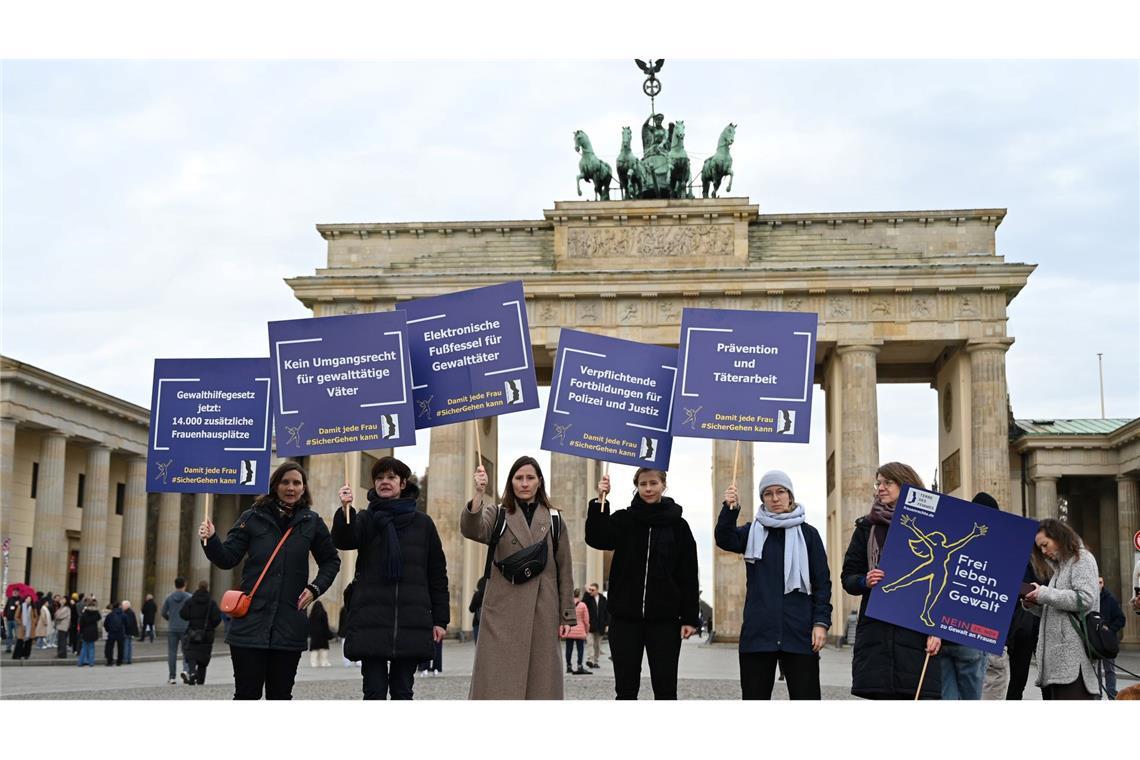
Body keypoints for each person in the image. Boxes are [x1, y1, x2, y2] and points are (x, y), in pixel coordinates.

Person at [200, 460, 341, 700]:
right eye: (285, 482)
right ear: (275, 485)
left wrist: (315, 588)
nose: (291, 487)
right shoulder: (251, 517)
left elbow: (331, 561)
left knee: (280, 696)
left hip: (289, 625)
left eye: (297, 483)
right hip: (250, 624)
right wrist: (211, 539)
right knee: (246, 696)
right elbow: (226, 559)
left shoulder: (312, 522)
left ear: (304, 488)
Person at [333, 456, 448, 699]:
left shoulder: (423, 524)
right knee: (373, 692)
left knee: (403, 692)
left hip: (410, 620)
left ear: (403, 483)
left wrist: (440, 620)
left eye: (391, 477)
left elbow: (437, 575)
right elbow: (344, 541)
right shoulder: (364, 519)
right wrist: (345, 510)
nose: (385, 482)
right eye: (379, 478)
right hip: (372, 619)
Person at [462, 457, 575, 699]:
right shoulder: (497, 513)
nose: (524, 483)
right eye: (519, 478)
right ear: (511, 481)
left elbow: (564, 570)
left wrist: (567, 614)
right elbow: (472, 530)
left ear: (539, 482)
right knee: (497, 683)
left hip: (542, 611)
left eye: (530, 478)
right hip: (501, 611)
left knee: (541, 684)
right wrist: (479, 494)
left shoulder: (555, 520)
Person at [714, 470, 832, 700]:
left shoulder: (809, 535)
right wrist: (729, 509)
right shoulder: (752, 532)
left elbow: (822, 584)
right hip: (759, 633)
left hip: (800, 633)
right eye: (768, 494)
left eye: (780, 492)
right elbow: (725, 538)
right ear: (763, 499)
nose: (775, 498)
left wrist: (821, 622)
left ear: (790, 495)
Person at [586, 467, 699, 700]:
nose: (648, 489)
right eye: (643, 484)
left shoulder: (679, 526)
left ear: (663, 485)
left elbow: (688, 574)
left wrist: (689, 617)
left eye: (653, 483)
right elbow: (597, 538)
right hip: (625, 619)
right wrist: (600, 501)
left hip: (665, 620)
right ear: (636, 486)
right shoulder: (624, 519)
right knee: (626, 690)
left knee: (666, 689)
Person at [841, 462, 942, 699]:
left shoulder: (933, 526)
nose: (880, 488)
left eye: (888, 482)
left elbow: (945, 588)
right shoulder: (866, 528)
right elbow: (848, 577)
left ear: (905, 484)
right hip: (877, 635)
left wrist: (938, 631)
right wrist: (864, 580)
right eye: (878, 483)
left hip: (916, 634)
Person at [1023, 517, 1099, 699]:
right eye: (1040, 548)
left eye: (1045, 545)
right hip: (1059, 664)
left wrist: (1044, 593)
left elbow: (1085, 599)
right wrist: (1034, 604)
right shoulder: (1060, 568)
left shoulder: (1082, 559)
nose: (1043, 551)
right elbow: (1058, 611)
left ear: (1058, 537)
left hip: (1073, 663)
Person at [939, 491, 1001, 700]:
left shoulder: (955, 536)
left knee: (946, 698)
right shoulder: (999, 546)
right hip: (972, 635)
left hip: (943, 634)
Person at [179, 580, 221, 685]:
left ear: (198, 587)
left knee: (192, 654)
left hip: (193, 632)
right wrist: (211, 627)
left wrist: (192, 619)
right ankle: (201, 680)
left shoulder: (190, 600)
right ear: (207, 588)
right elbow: (217, 619)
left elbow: (183, 614)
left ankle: (192, 673)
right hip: (207, 634)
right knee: (203, 656)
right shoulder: (212, 603)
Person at [1097, 576, 1125, 699]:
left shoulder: (1111, 600)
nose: (1098, 584)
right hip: (1094, 640)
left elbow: (1121, 619)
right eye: (1096, 582)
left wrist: (1110, 629)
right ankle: (1096, 694)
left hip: (1107, 641)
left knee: (1109, 669)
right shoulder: (1090, 598)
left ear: (1103, 584)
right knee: (1095, 670)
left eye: (1100, 582)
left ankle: (1111, 694)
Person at [161, 577, 192, 684]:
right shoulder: (189, 597)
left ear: (175, 585)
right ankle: (186, 670)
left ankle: (172, 677)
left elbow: (163, 612)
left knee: (172, 652)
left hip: (172, 628)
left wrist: (171, 619)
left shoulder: (169, 598)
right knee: (186, 651)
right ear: (185, 584)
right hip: (185, 627)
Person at [562, 589, 591, 675]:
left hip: (569, 630)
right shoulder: (583, 605)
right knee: (580, 649)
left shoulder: (568, 605)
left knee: (568, 649)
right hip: (580, 631)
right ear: (579, 595)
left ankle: (568, 666)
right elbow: (586, 620)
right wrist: (587, 630)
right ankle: (579, 665)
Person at [583, 582, 608, 668]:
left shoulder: (603, 599)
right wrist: (586, 592)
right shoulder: (588, 598)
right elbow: (583, 603)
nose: (591, 591)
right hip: (590, 625)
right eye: (590, 590)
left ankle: (596, 661)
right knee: (590, 643)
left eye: (592, 590)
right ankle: (590, 660)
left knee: (597, 645)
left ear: (597, 590)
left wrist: (607, 624)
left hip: (600, 625)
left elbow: (607, 612)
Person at [307, 600, 332, 668]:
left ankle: (314, 663)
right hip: (323, 634)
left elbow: (309, 625)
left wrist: (310, 633)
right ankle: (323, 662)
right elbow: (326, 624)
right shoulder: (324, 613)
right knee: (323, 649)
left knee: (314, 649)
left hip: (314, 635)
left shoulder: (312, 614)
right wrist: (328, 633)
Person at [77, 598, 100, 666]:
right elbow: (99, 617)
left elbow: (81, 623)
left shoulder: (85, 613)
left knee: (84, 647)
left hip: (85, 631)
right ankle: (91, 662)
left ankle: (81, 662)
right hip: (93, 631)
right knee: (91, 647)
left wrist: (80, 632)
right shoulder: (96, 613)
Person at [103, 600, 126, 666]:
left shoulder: (110, 614)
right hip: (120, 633)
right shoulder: (123, 614)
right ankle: (119, 662)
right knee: (120, 648)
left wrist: (108, 630)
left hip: (111, 633)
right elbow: (127, 623)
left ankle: (109, 661)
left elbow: (105, 624)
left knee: (110, 648)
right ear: (119, 606)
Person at [468, 577, 486, 644]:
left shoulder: (477, 594)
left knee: (478, 646)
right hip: (489, 624)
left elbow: (471, 609)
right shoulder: (490, 595)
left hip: (477, 623)